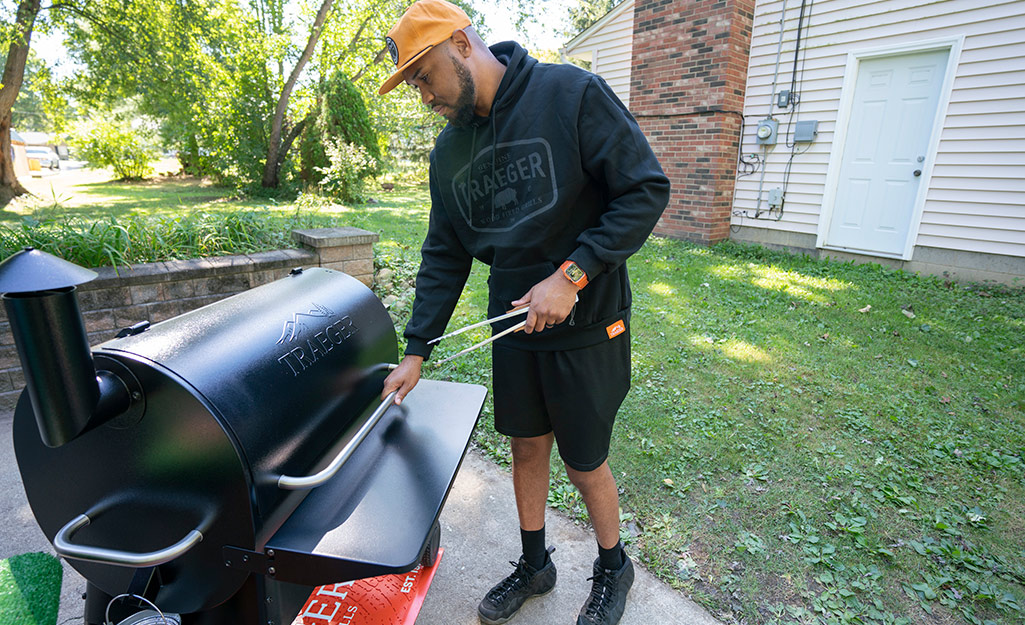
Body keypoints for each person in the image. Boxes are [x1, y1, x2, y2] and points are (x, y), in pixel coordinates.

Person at [378, 1, 670, 623]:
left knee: (583, 457)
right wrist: (416, 350)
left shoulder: (571, 94)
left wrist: (571, 275)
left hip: (587, 316)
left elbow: (644, 188)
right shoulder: (449, 152)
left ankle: (614, 567)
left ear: (461, 43)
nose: (423, 96)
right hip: (512, 319)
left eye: (424, 76)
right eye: (414, 87)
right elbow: (444, 254)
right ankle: (536, 564)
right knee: (526, 447)